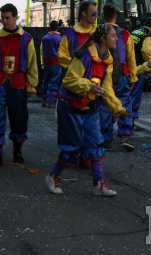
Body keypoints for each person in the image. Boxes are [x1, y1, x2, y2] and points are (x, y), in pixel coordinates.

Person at [45, 25, 131, 196]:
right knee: (72, 146)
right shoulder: (84, 56)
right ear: (102, 39)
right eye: (113, 36)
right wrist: (89, 86)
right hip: (70, 106)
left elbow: (106, 87)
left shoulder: (108, 60)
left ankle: (98, 184)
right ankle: (53, 175)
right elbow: (69, 80)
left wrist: (117, 108)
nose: (116, 39)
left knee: (96, 142)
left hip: (90, 107)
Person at [0, 3, 38, 169]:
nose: (4, 21)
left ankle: (17, 151)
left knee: (19, 119)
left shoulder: (26, 39)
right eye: (2, 18)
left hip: (18, 85)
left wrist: (31, 86)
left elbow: (32, 64)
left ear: (15, 17)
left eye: (7, 18)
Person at [98, 4, 138, 151]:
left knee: (104, 105)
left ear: (103, 16)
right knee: (125, 103)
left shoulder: (97, 32)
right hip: (121, 74)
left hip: (103, 74)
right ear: (117, 16)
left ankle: (106, 138)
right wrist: (133, 77)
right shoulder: (125, 34)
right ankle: (125, 135)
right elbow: (131, 58)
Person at [130, 17, 151, 128]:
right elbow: (146, 50)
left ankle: (128, 120)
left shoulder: (137, 31)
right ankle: (131, 120)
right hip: (139, 68)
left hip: (130, 65)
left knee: (130, 94)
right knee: (135, 95)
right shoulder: (147, 35)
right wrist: (149, 62)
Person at [58, 1, 97, 70]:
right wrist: (78, 65)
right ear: (84, 14)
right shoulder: (68, 34)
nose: (96, 16)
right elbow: (62, 56)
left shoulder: (98, 34)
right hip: (75, 78)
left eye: (97, 13)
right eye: (93, 13)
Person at [40, 20, 63, 108]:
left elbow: (41, 50)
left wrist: (42, 62)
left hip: (46, 62)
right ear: (57, 27)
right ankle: (50, 101)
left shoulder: (45, 37)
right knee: (54, 81)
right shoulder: (60, 38)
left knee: (45, 81)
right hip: (56, 62)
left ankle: (44, 100)